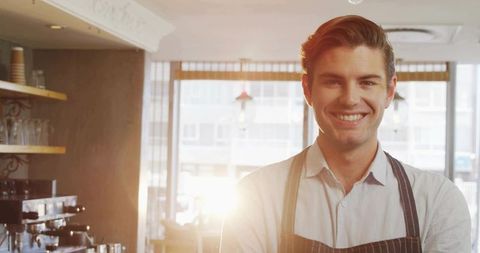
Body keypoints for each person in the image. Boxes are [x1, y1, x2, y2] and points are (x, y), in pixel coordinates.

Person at [220, 15, 471, 253]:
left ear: (390, 91)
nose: (350, 99)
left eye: (367, 82)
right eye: (333, 82)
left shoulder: (437, 201)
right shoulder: (255, 197)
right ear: (308, 89)